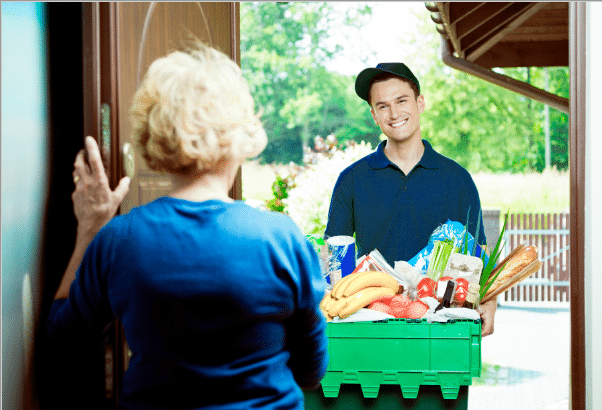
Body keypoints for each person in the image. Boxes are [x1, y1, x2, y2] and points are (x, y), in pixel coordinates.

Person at [47, 43, 328, 410]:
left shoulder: (118, 240)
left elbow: (63, 346)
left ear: (155, 139)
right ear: (240, 137)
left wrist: (90, 227)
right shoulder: (282, 238)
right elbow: (311, 370)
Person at [324, 62, 497, 336]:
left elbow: (480, 255)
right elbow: (334, 254)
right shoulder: (352, 179)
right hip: (370, 323)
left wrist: (490, 302)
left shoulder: (457, 179)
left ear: (420, 103)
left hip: (441, 328)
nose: (393, 113)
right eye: (382, 106)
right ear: (374, 115)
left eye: (401, 101)